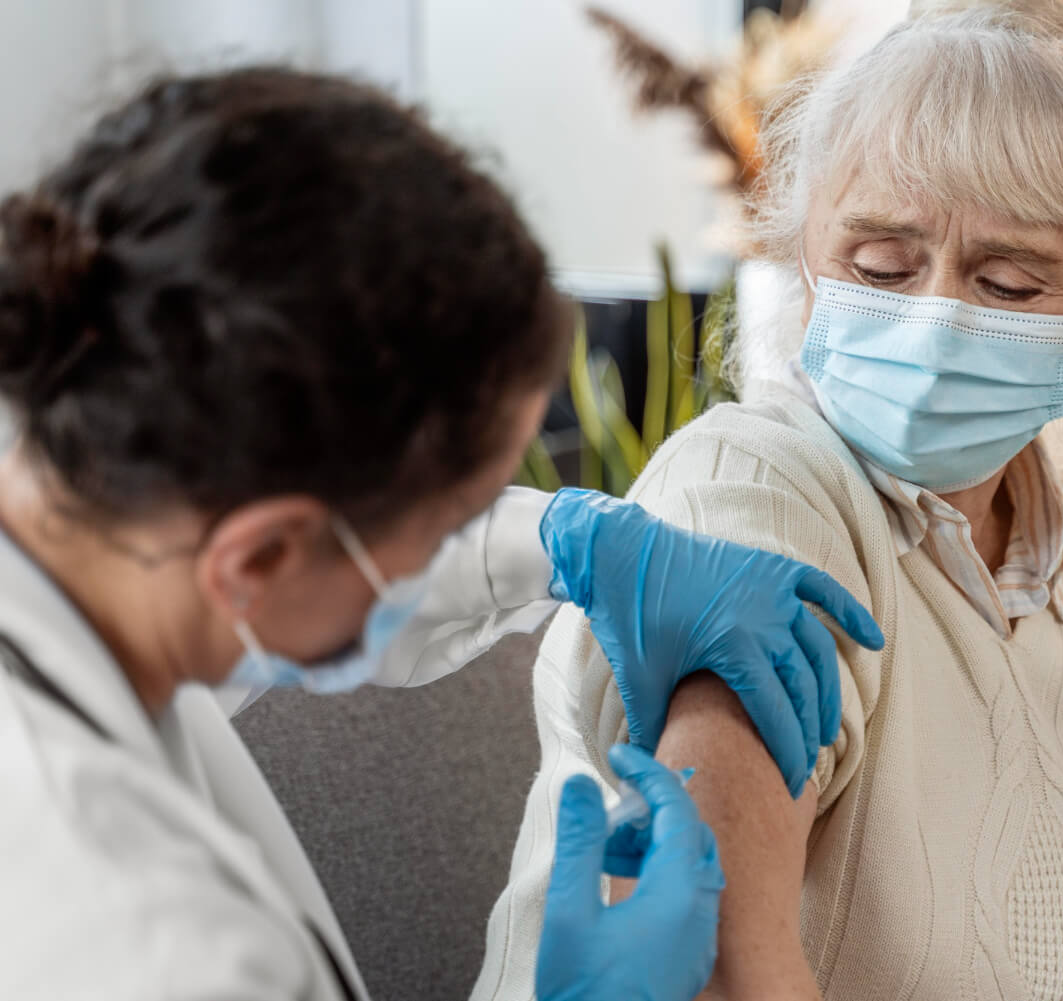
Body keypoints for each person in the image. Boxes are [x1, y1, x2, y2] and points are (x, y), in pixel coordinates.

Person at [482, 3, 1063, 999]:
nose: (934, 320)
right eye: (881, 266)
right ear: (808, 258)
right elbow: (720, 962)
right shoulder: (756, 495)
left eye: (1010, 283)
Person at [0, 68, 883, 1001]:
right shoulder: (133, 936)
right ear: (258, 557)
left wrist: (566, 536)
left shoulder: (97, 499)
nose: (456, 544)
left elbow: (334, 561)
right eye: (447, 521)